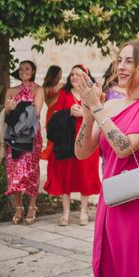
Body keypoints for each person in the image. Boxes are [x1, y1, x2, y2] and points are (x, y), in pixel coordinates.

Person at [73, 40, 139, 277]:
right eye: (120, 60)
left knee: (133, 274)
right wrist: (88, 112)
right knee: (107, 268)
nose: (122, 66)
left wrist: (97, 108)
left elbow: (123, 148)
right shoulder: (110, 106)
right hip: (111, 198)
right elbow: (81, 152)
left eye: (130, 61)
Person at [44, 65, 101, 226]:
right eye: (72, 75)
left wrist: (83, 114)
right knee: (65, 175)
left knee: (85, 175)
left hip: (87, 140)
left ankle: (83, 211)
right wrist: (69, 111)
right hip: (67, 142)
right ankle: (66, 212)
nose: (74, 77)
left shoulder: (93, 94)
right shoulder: (64, 94)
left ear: (86, 77)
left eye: (79, 74)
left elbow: (100, 113)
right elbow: (56, 115)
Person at [3, 60, 44, 225]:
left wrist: (17, 107)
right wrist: (10, 108)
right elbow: (6, 112)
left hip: (31, 135)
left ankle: (32, 206)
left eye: (27, 69)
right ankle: (19, 207)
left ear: (33, 71)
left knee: (31, 171)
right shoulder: (11, 90)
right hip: (14, 135)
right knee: (14, 172)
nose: (23, 71)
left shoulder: (38, 89)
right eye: (20, 69)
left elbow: (37, 111)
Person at [40, 65, 63, 160]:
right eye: (58, 74)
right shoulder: (46, 87)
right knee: (52, 135)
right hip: (52, 114)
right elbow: (48, 102)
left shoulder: (63, 85)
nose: (60, 77)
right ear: (53, 75)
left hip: (62, 112)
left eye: (60, 75)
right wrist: (59, 93)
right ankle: (52, 154)